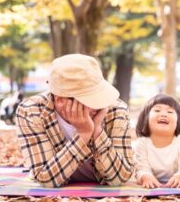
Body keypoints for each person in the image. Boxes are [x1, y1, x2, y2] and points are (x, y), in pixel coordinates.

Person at [16, 54, 134, 188]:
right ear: (61, 101)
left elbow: (121, 178)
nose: (100, 104)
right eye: (90, 98)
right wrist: (83, 134)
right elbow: (45, 179)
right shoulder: (31, 112)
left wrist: (97, 132)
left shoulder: (116, 110)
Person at [133, 94, 180, 189]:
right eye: (157, 110)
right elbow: (141, 168)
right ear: (146, 118)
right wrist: (145, 176)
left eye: (170, 112)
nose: (163, 114)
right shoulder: (141, 144)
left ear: (178, 121)